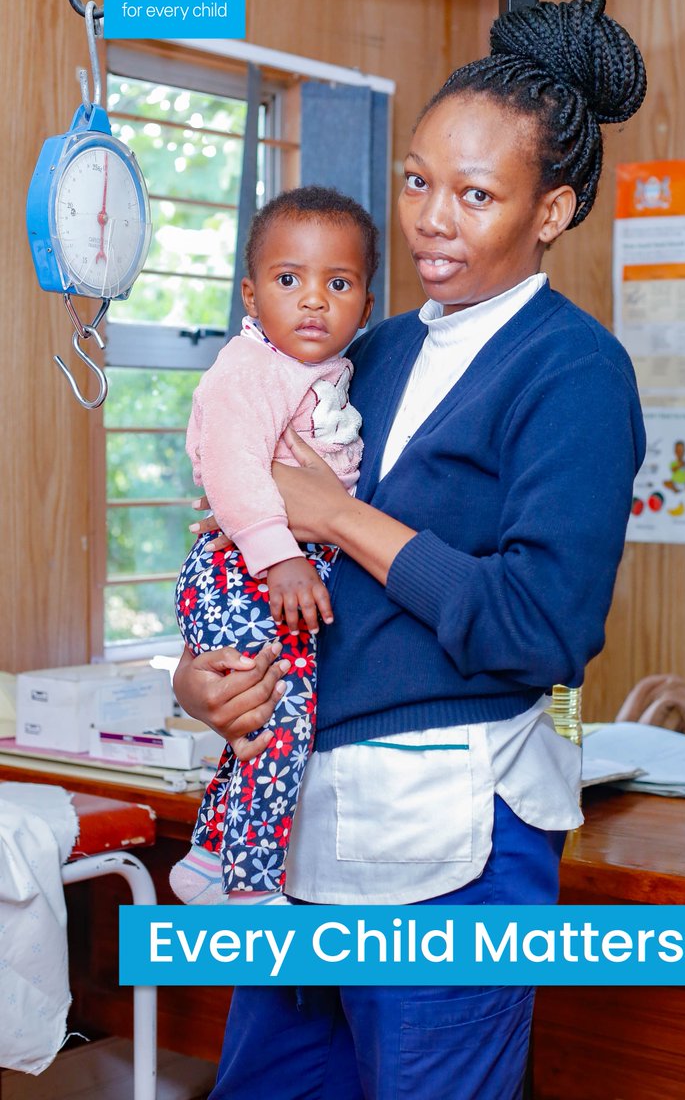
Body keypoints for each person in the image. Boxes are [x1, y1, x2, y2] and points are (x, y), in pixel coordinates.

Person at [175, 0, 647, 1099]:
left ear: (553, 210)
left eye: (477, 194)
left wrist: (337, 513)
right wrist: (203, 682)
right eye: (419, 181)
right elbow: (255, 536)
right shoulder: (365, 350)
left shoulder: (573, 373)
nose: (433, 218)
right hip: (305, 825)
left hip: (458, 838)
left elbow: (541, 625)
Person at [171, 185, 376, 905]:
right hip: (244, 570)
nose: (314, 300)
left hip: (272, 567)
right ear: (253, 297)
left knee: (271, 711)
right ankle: (252, 888)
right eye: (290, 282)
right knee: (279, 720)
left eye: (338, 283)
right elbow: (228, 463)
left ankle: (209, 853)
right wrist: (278, 551)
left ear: (366, 305)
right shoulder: (252, 368)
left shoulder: (321, 366)